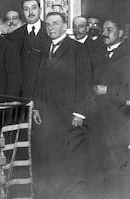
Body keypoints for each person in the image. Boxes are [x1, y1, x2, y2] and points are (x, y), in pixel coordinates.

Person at [33, 12, 93, 199]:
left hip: (67, 114)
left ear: (64, 25)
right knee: (47, 157)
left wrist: (80, 113)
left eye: (55, 23)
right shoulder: (45, 48)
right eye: (48, 24)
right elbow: (38, 80)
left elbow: (85, 82)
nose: (51, 27)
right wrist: (36, 107)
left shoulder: (77, 48)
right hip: (46, 113)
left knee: (65, 160)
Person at [86, 18, 130, 197]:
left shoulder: (127, 56)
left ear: (120, 33)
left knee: (119, 168)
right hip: (101, 122)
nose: (104, 32)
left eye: (109, 29)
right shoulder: (102, 55)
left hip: (120, 122)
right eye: (103, 29)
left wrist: (108, 90)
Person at [8, 0, 51, 98]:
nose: (30, 12)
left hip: (46, 93)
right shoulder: (14, 36)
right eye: (26, 9)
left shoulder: (51, 32)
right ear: (23, 12)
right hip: (22, 93)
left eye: (34, 8)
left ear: (40, 10)